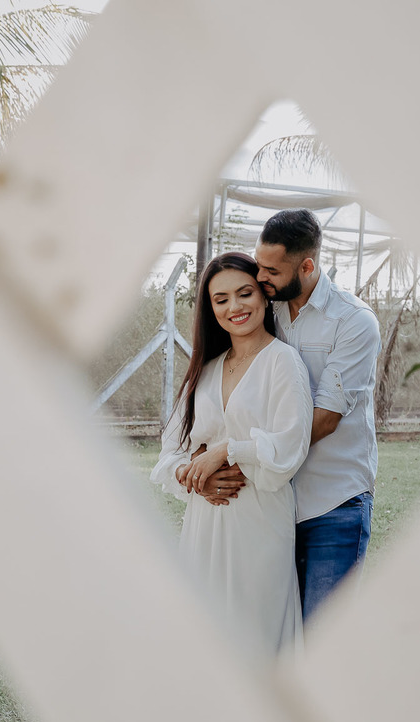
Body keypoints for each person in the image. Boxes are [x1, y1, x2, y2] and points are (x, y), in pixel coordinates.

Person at [149, 252, 313, 655]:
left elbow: (289, 448)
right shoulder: (205, 370)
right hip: (204, 525)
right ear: (210, 308)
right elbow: (170, 455)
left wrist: (225, 450)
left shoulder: (283, 362)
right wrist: (195, 477)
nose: (234, 306)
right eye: (221, 299)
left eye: (245, 293)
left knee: (256, 640)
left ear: (263, 295)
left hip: (259, 523)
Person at [254, 208, 381, 621]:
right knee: (279, 635)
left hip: (335, 504)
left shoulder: (354, 321)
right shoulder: (265, 309)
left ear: (307, 267)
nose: (260, 278)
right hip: (274, 502)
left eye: (272, 270)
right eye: (259, 265)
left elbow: (325, 418)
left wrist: (245, 457)